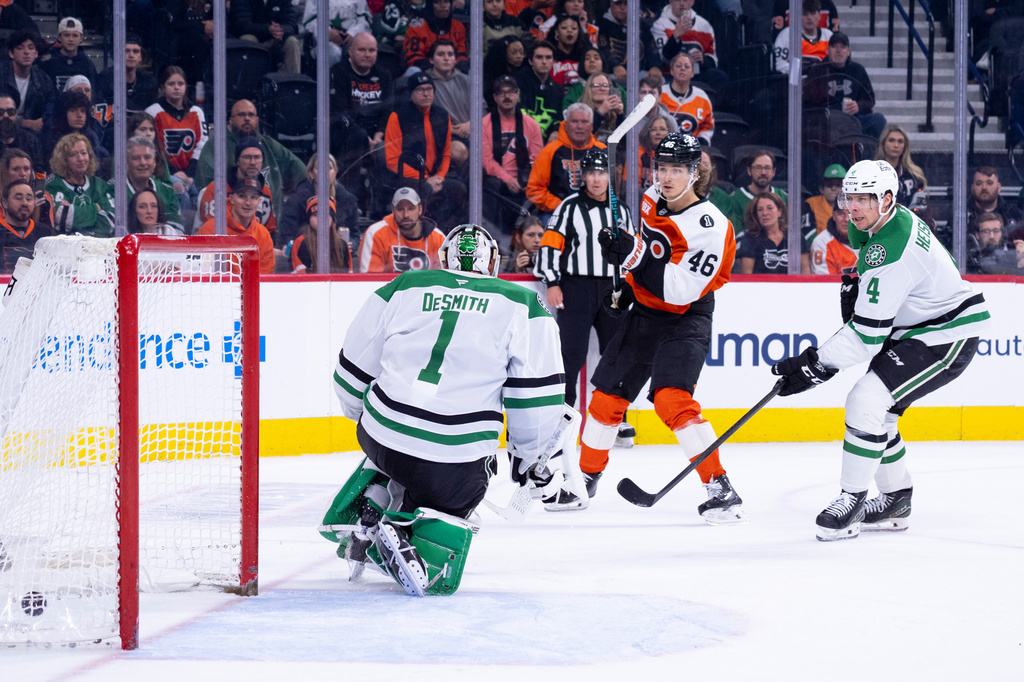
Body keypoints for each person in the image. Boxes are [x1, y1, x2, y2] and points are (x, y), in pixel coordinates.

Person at [324, 223, 567, 596]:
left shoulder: (404, 286)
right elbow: (534, 402)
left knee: (396, 432)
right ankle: (403, 534)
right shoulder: (523, 304)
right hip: (453, 464)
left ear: (443, 258)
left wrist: (365, 418)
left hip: (379, 437)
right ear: (492, 264)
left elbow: (349, 376)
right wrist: (529, 458)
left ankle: (374, 499)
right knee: (466, 486)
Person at [770, 159, 991, 541]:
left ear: (887, 199)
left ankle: (852, 500)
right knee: (880, 414)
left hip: (946, 336)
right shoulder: (881, 221)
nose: (851, 207)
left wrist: (814, 365)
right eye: (848, 197)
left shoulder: (890, 247)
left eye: (862, 199)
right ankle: (895, 501)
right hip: (921, 327)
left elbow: (866, 337)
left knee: (865, 401)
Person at [576, 133, 742, 522]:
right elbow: (649, 250)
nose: (666, 177)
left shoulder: (711, 227)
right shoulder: (652, 198)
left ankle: (720, 486)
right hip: (647, 313)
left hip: (686, 318)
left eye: (676, 170)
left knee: (672, 400)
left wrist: (631, 258)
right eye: (661, 168)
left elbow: (679, 290)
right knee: (606, 399)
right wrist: (627, 290)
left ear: (694, 171)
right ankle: (584, 477)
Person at [535, 147, 635, 412]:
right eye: (591, 173)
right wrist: (553, 282)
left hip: (612, 289)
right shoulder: (568, 207)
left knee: (616, 353)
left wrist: (629, 286)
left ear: (609, 176)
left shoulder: (620, 210)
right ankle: (564, 411)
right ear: (583, 176)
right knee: (571, 354)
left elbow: (632, 252)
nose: (597, 179)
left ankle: (614, 413)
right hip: (576, 287)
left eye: (601, 173)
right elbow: (549, 245)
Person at [195, 99, 307, 221]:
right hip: (229, 221)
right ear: (231, 120)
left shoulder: (268, 144)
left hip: (271, 222)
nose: (247, 118)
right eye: (241, 115)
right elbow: (206, 186)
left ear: (257, 120)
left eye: (251, 115)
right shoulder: (216, 145)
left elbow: (303, 173)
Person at [382, 71, 466, 231]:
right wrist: (425, 178)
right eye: (421, 90)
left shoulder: (442, 115)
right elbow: (392, 160)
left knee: (458, 188)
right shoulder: (397, 116)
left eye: (429, 89)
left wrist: (439, 177)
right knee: (425, 190)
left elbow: (447, 154)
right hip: (408, 177)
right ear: (411, 93)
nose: (426, 93)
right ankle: (422, 233)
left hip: (436, 176)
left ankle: (448, 233)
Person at [482, 75, 543, 237]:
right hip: (497, 182)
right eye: (502, 93)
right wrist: (508, 179)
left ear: (518, 95)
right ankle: (489, 238)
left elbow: (538, 159)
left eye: (511, 92)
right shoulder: (484, 124)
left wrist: (527, 180)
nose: (507, 96)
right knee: (490, 184)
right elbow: (486, 161)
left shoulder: (531, 124)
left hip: (525, 181)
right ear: (495, 97)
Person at [526, 102, 605, 216]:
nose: (579, 126)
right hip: (557, 213)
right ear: (566, 124)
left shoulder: (601, 150)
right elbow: (534, 190)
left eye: (584, 122)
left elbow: (611, 188)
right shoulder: (550, 151)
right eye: (574, 121)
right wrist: (563, 206)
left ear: (592, 126)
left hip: (594, 212)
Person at [803, 32, 886, 140]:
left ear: (848, 51)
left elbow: (870, 100)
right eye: (834, 47)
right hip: (826, 123)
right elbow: (808, 103)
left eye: (842, 47)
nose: (838, 51)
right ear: (828, 51)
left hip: (853, 121)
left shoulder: (858, 70)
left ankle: (867, 154)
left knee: (878, 119)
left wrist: (858, 106)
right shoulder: (817, 71)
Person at [194, 136, 278, 240]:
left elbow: (270, 230)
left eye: (257, 157)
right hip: (217, 247)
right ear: (237, 161)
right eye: (247, 157)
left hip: (255, 248)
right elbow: (212, 231)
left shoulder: (265, 191)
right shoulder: (217, 189)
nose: (253, 162)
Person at [196, 174, 276, 274]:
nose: (248, 202)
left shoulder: (263, 235)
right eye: (242, 196)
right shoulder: (211, 229)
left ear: (259, 201)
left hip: (252, 289)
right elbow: (200, 272)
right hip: (217, 288)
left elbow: (265, 277)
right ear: (232, 199)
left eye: (253, 197)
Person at [358, 186, 445, 272]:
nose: (406, 215)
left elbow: (445, 277)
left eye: (411, 208)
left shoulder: (438, 238)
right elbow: (370, 280)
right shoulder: (376, 234)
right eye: (400, 209)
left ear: (420, 210)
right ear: (393, 210)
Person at [145, 66, 208, 184]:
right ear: (163, 87)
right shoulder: (152, 112)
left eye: (180, 84)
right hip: (163, 172)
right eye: (171, 84)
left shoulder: (196, 112)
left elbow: (202, 144)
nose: (176, 88)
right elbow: (153, 147)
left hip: (192, 174)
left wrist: (190, 174)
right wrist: (172, 172)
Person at [279, 153, 358, 247]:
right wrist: (293, 247)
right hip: (305, 252)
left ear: (335, 172)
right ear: (311, 173)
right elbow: (287, 234)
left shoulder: (348, 200)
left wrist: (352, 244)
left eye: (329, 168)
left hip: (337, 253)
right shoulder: (297, 199)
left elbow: (355, 234)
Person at [651, 0, 728, 94]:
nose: (682, 3)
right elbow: (664, 58)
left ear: (692, 2)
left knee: (719, 76)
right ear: (670, 1)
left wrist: (703, 59)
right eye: (678, 0)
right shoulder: (660, 25)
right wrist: (676, 36)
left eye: (686, 0)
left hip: (697, 74)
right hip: (671, 75)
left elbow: (713, 60)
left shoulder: (704, 25)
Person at [737, 192, 809, 274]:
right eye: (760, 209)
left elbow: (805, 271)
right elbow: (747, 276)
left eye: (770, 208)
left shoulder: (795, 236)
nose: (765, 213)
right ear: (756, 215)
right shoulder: (749, 239)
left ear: (779, 212)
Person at [726, 149, 788, 245]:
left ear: (774, 172)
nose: (763, 172)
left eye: (767, 168)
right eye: (758, 168)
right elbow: (734, 238)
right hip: (748, 254)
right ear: (749, 171)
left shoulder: (784, 197)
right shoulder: (735, 199)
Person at [874, 123, 931, 224]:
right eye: (891, 140)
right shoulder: (872, 172)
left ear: (905, 146)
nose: (896, 145)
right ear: (883, 144)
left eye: (900, 141)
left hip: (908, 226)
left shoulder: (915, 175)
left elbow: (919, 209)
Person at [125, 135, 184, 233]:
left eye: (147, 157)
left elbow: (177, 230)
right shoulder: (114, 190)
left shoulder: (167, 192)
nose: (143, 162)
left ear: (154, 162)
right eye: (136, 158)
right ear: (127, 163)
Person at [2, 31, 56, 136]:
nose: (26, 52)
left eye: (31, 48)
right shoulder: (2, 76)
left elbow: (50, 110)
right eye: (20, 48)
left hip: (33, 135)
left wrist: (42, 122)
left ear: (36, 53)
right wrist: (25, 123)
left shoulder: (44, 80)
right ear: (11, 53)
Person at [427, 40, 470, 169]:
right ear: (431, 59)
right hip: (442, 137)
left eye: (450, 55)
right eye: (441, 54)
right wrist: (446, 128)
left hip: (471, 132)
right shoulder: (424, 82)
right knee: (458, 151)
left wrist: (470, 124)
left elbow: (483, 111)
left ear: (455, 59)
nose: (446, 58)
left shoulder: (467, 81)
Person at [230, 0, 302, 74]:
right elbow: (242, 25)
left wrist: (279, 30)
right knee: (248, 39)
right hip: (255, 37)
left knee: (292, 41)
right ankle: (249, 81)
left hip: (275, 39)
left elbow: (291, 24)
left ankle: (292, 81)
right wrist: (267, 29)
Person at [96, 33, 158, 117]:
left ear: (140, 57)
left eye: (135, 51)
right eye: (126, 51)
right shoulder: (105, 79)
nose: (131, 55)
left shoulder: (149, 81)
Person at [659, 52, 714, 145]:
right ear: (671, 71)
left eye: (687, 67)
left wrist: (702, 141)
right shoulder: (660, 93)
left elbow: (707, 126)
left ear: (692, 73)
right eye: (678, 66)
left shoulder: (702, 97)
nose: (682, 69)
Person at [0, 179, 53, 272]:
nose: (25, 203)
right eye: (18, 198)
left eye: (29, 199)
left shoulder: (46, 233)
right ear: (5, 203)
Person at [403, 0, 469, 74]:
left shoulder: (458, 26)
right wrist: (437, 69)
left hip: (453, 71)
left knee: (472, 72)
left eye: (446, 2)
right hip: (426, 73)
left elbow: (462, 54)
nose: (443, 5)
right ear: (430, 5)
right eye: (437, 2)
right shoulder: (417, 27)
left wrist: (457, 68)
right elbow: (413, 58)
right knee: (412, 71)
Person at [598, 0, 657, 81]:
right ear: (611, 5)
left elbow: (651, 49)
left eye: (626, 4)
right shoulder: (603, 25)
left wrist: (655, 66)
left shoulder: (641, 25)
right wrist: (615, 66)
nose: (622, 8)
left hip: (640, 74)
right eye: (618, 3)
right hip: (612, 74)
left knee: (659, 79)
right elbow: (604, 50)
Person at [291, 195, 352, 274]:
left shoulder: (342, 244)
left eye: (326, 215)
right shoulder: (301, 242)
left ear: (333, 219)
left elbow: (349, 276)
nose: (320, 219)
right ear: (308, 220)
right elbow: (299, 276)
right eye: (315, 215)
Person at [300, 0, 372, 67]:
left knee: (362, 53)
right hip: (322, 40)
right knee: (332, 53)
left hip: (352, 39)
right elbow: (309, 21)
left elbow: (364, 19)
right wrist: (327, 32)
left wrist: (353, 33)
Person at [515, 40, 564, 139]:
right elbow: (517, 112)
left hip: (547, 141)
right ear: (530, 61)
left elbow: (559, 117)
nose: (544, 62)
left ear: (553, 61)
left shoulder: (557, 89)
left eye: (548, 57)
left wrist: (556, 131)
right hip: (520, 137)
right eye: (539, 57)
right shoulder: (518, 81)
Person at [773, 0, 831, 75]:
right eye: (804, 13)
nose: (809, 17)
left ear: (819, 15)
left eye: (813, 13)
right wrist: (802, 70)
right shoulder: (788, 34)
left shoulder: (828, 36)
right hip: (796, 83)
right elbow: (777, 63)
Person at [39, 17, 97, 92]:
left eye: (75, 35)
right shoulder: (47, 63)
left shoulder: (87, 64)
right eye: (66, 35)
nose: (71, 39)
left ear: (81, 38)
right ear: (59, 37)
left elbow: (93, 93)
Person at [963, 166, 1022, 233]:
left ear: (999, 187)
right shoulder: (961, 213)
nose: (984, 187)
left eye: (989, 183)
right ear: (972, 188)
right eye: (979, 183)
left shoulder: (1013, 214)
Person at [810, 200, 857, 274]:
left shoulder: (869, 237)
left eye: (851, 214)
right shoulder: (822, 242)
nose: (846, 219)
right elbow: (826, 282)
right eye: (841, 213)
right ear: (834, 216)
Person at [0, 90, 42, 171]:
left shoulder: (30, 140)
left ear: (16, 113)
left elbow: (39, 171)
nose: (6, 115)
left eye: (10, 111)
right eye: (0, 112)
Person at [576, 72, 624, 143]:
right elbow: (580, 138)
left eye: (605, 85)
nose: (602, 88)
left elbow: (626, 143)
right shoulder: (578, 111)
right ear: (589, 89)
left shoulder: (614, 113)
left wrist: (620, 115)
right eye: (596, 85)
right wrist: (600, 113)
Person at [546, 13, 588, 88]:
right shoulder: (547, 55)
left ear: (578, 33)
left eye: (574, 28)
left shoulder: (585, 57)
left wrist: (584, 32)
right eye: (564, 28)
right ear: (557, 32)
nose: (569, 31)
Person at [805, 163, 846, 236]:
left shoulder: (852, 205)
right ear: (821, 189)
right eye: (829, 185)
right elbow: (808, 236)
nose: (833, 188)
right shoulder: (811, 204)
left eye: (838, 185)